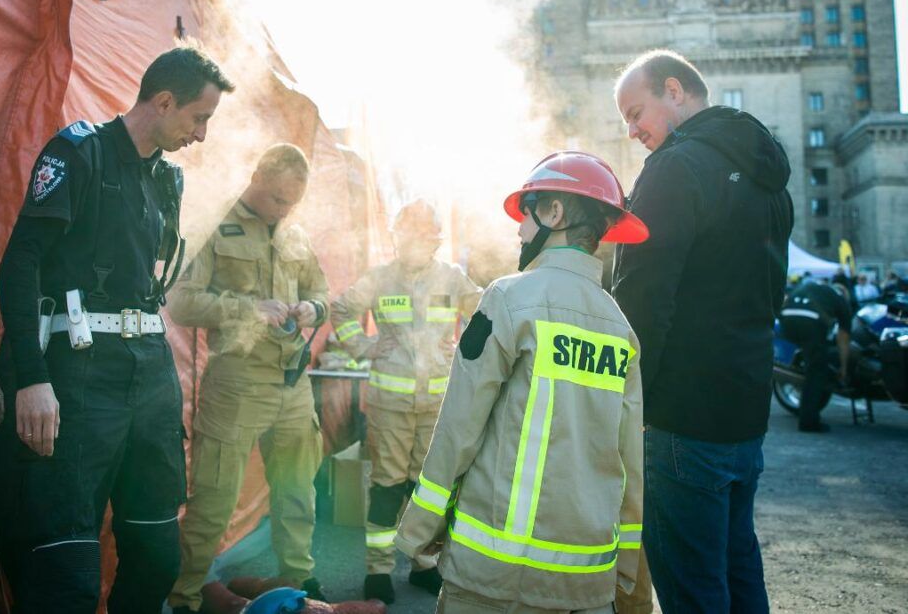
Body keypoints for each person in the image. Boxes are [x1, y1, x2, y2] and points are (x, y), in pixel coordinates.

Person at [0, 47, 233, 614]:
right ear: (164, 100)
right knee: (65, 571)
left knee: (157, 557)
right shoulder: (79, 153)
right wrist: (31, 377)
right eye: (198, 119)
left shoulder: (167, 181)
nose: (201, 136)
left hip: (148, 374)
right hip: (76, 375)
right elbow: (19, 264)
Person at [396, 151, 648, 614]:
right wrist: (629, 575)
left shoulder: (509, 299)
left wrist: (419, 530)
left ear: (556, 213)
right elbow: (630, 463)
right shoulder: (620, 328)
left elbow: (459, 426)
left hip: (493, 576)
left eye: (528, 211)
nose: (518, 229)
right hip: (587, 582)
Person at [611, 49, 793, 613]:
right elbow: (772, 296)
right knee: (739, 572)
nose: (634, 131)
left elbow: (642, 297)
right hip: (744, 414)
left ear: (674, 90)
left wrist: (630, 403)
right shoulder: (768, 176)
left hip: (680, 420)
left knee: (693, 589)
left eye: (636, 112)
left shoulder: (675, 166)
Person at [167, 144, 331, 614]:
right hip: (237, 383)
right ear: (257, 176)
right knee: (214, 499)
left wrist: (311, 309)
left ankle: (296, 581)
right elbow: (180, 300)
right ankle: (187, 596)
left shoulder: (295, 233)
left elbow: (320, 290)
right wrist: (247, 309)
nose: (283, 209)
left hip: (293, 382)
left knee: (298, 489)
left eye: (292, 202)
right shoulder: (216, 224)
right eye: (277, 198)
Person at [327, 200, 482, 604]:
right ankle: (377, 571)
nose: (415, 242)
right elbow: (341, 308)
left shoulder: (451, 277)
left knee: (427, 489)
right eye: (408, 235)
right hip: (388, 408)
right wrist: (364, 344)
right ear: (398, 237)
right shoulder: (379, 278)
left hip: (435, 407)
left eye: (423, 236)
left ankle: (422, 564)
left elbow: (488, 311)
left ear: (434, 240)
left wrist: (468, 350)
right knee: (386, 487)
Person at [780, 279, 852, 432]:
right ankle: (808, 422)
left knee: (812, 355)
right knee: (817, 372)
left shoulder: (818, 288)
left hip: (786, 318)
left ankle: (801, 365)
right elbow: (843, 338)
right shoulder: (841, 300)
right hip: (810, 321)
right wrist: (844, 368)